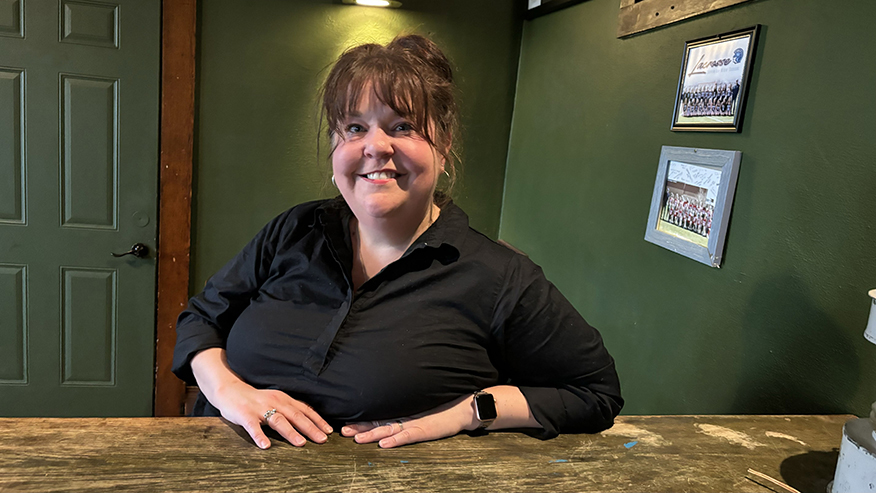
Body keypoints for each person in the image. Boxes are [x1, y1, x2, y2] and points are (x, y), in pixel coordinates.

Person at [172, 34, 622, 451]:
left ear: (443, 145)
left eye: (403, 126)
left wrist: (468, 413)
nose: (375, 147)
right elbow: (203, 316)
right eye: (353, 128)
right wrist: (228, 391)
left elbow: (595, 394)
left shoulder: (499, 277)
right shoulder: (294, 229)